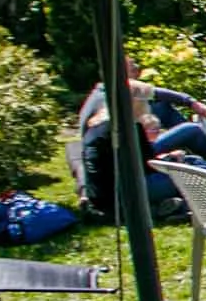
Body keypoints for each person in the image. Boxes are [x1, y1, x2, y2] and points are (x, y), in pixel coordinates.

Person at [81, 91, 189, 220]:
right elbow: (150, 167)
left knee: (188, 163)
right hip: (123, 192)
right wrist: (172, 160)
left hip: (100, 195)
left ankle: (164, 208)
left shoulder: (95, 128)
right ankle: (185, 207)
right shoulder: (130, 129)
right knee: (188, 175)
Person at [78, 56, 206, 136]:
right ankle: (204, 142)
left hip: (110, 147)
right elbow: (159, 93)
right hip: (123, 153)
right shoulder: (120, 87)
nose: (138, 72)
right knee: (181, 122)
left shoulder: (101, 91)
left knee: (155, 108)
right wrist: (192, 103)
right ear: (120, 73)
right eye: (133, 69)